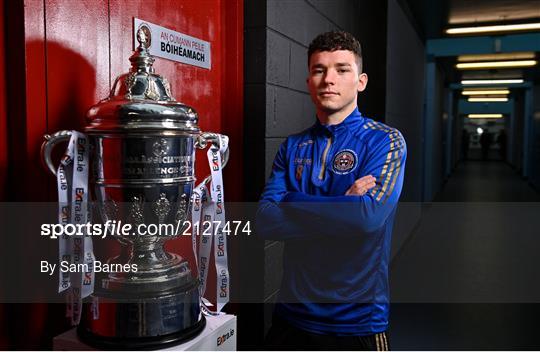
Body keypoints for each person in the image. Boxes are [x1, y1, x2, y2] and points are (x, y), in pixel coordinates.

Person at [256, 31, 407, 350]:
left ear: (361, 81)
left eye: (342, 69)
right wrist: (342, 205)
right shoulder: (293, 146)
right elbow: (265, 220)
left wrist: (292, 200)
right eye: (318, 70)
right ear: (309, 81)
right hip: (291, 318)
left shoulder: (386, 141)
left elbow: (365, 219)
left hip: (356, 323)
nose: (329, 79)